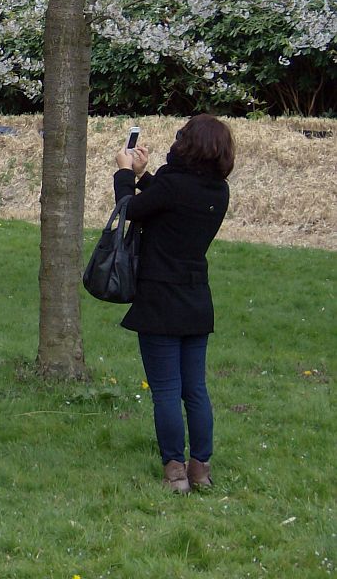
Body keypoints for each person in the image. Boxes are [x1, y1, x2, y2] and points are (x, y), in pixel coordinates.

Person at [113, 114, 235, 494]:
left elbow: (129, 210)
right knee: (195, 389)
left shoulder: (174, 186)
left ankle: (174, 472)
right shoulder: (218, 191)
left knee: (166, 390)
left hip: (160, 298)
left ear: (189, 145)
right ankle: (200, 468)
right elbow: (167, 205)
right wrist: (145, 176)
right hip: (196, 299)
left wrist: (123, 174)